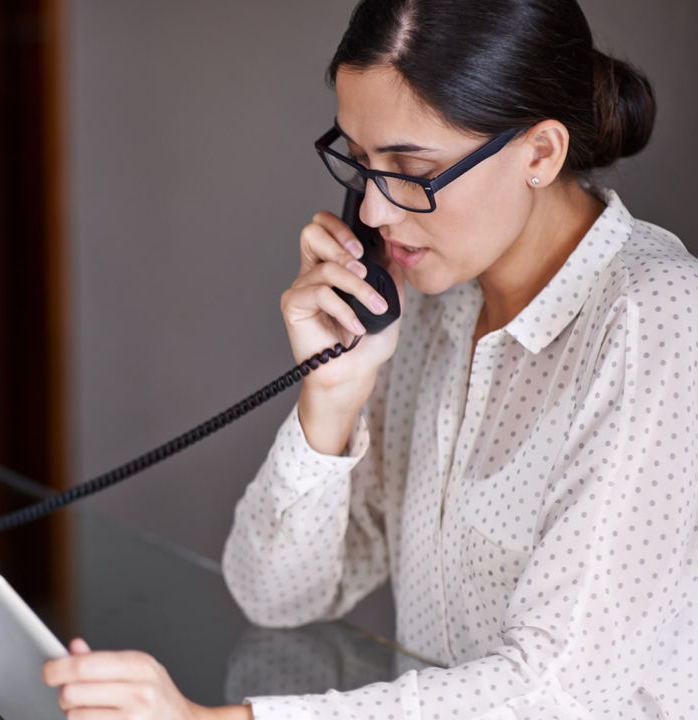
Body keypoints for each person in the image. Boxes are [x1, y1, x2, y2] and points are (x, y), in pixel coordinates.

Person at [43, 0, 698, 717]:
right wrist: (330, 397)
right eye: (359, 162)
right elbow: (277, 596)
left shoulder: (656, 319)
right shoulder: (428, 302)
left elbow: (557, 687)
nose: (377, 212)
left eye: (410, 168)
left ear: (540, 153)